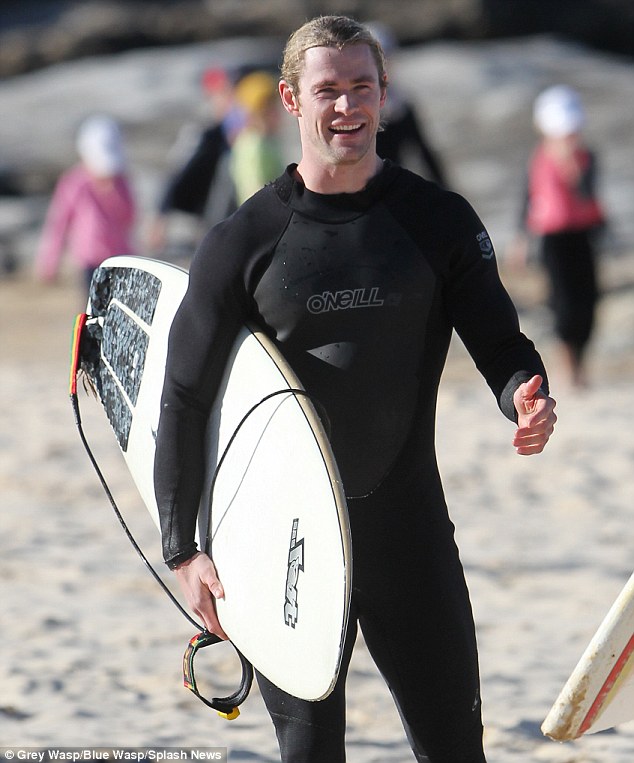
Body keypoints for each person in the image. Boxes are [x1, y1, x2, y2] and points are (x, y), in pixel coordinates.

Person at [154, 16, 557, 763]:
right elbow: (183, 396)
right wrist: (185, 549)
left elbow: (501, 346)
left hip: (409, 533)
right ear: (290, 100)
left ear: (383, 93)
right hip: (283, 549)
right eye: (328, 90)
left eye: (361, 87)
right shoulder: (242, 243)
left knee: (455, 750)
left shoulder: (436, 221)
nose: (347, 107)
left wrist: (524, 396)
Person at [509, 85, 605, 388]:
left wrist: (574, 172)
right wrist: (520, 240)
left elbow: (590, 196)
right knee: (563, 303)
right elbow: (527, 198)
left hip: (583, 235)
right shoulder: (537, 159)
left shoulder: (587, 158)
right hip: (552, 239)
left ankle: (582, 366)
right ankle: (567, 368)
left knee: (588, 301)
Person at [147, 66, 244, 254]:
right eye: (224, 94)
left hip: (218, 218)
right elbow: (176, 174)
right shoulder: (203, 134)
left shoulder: (233, 133)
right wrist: (160, 218)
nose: (231, 100)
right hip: (192, 221)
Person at [35, 114, 136, 290]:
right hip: (89, 261)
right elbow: (59, 224)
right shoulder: (74, 183)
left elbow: (130, 216)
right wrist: (50, 261)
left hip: (120, 258)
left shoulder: (121, 182)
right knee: (91, 310)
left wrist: (113, 194)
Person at [369, 22, 449, 187]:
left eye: (388, 57)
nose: (384, 65)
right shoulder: (348, 107)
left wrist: (448, 194)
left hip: (390, 190)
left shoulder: (401, 103)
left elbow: (424, 152)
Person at [229, 70, 286, 204]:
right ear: (261, 112)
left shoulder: (266, 141)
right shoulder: (254, 145)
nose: (280, 113)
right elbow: (255, 190)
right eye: (274, 108)